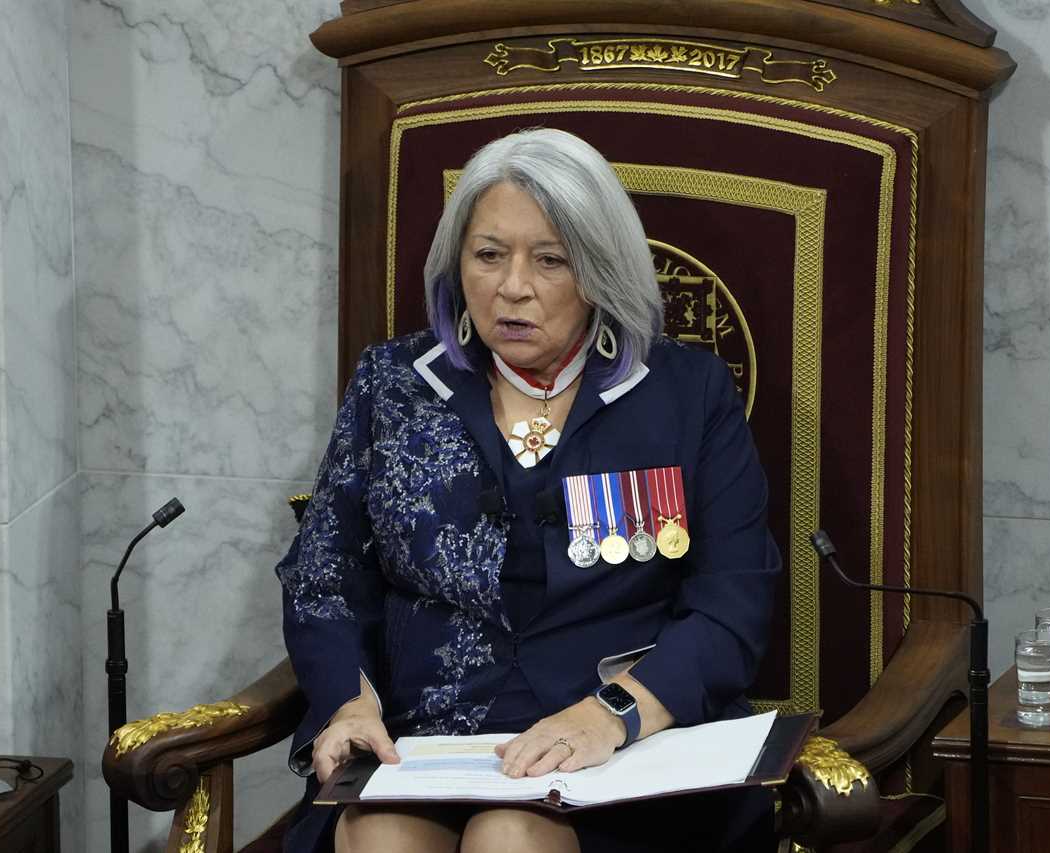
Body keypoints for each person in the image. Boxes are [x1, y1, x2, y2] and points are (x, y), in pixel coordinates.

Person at [275, 127, 781, 853]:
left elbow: (732, 605)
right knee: (382, 833)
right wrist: (348, 702)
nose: (512, 287)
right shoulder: (393, 383)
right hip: (426, 744)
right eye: (488, 255)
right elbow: (325, 578)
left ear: (600, 269)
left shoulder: (684, 393)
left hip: (619, 752)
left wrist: (613, 714)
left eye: (549, 259)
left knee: (511, 836)